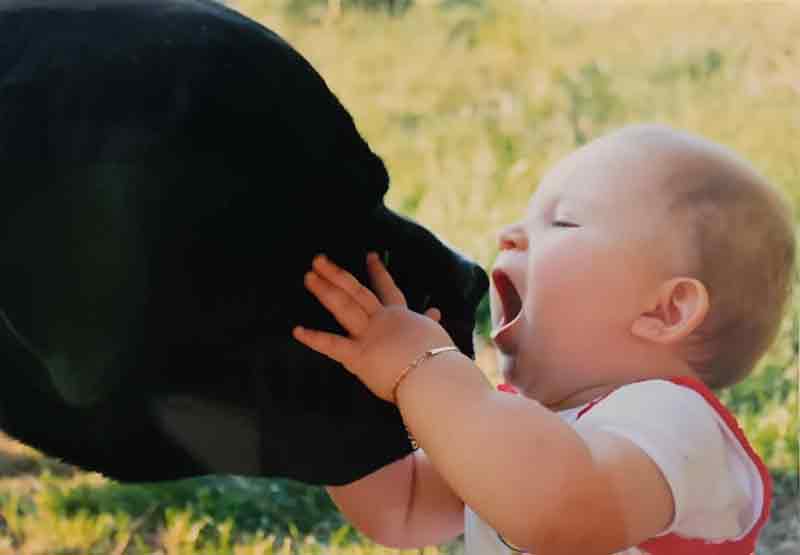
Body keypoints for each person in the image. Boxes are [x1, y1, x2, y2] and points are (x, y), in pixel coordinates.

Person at [291, 123, 796, 554]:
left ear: (666, 310)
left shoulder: (679, 423)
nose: (510, 233)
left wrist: (425, 367)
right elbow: (402, 508)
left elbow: (558, 507)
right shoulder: (516, 426)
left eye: (562, 221)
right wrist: (335, 395)